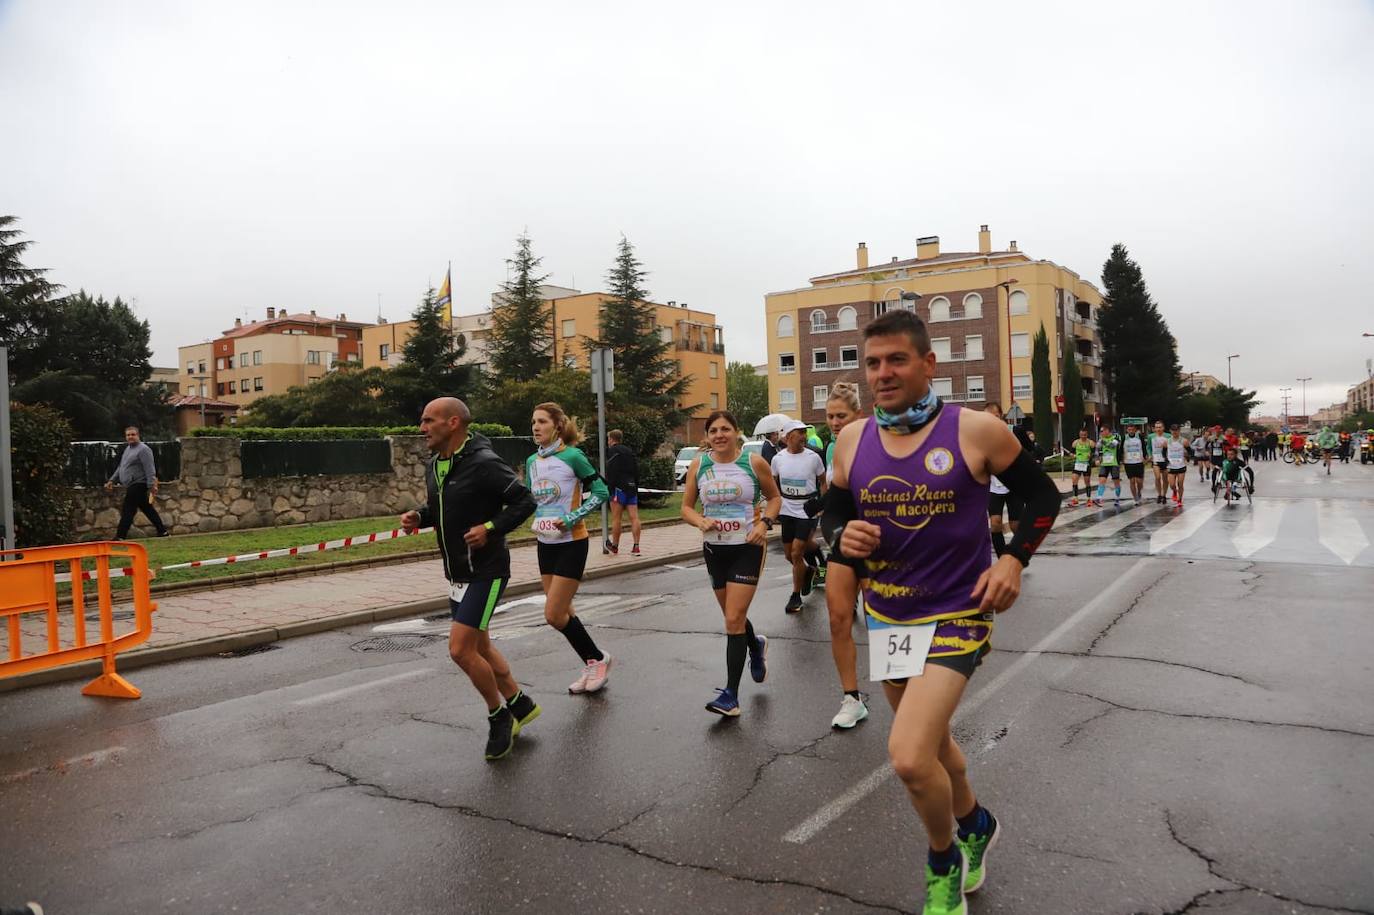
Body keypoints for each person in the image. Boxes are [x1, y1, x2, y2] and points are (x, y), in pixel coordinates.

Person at [822, 309, 1061, 915]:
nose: (882, 373)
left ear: (929, 363)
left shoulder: (974, 430)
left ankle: (943, 857)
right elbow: (833, 511)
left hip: (959, 611)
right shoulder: (852, 438)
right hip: (891, 616)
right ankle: (976, 824)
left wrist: (1012, 559)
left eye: (897, 359)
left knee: (907, 756)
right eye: (872, 362)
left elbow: (1041, 494)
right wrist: (838, 537)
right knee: (934, 746)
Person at [400, 397, 538, 761]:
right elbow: (446, 507)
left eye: (429, 420)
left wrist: (491, 528)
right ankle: (520, 704)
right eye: (422, 420)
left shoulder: (484, 463)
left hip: (487, 571)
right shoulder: (436, 465)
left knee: (461, 650)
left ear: (453, 423)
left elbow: (525, 501)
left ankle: (499, 716)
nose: (422, 427)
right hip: (458, 572)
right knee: (480, 647)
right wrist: (420, 516)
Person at [680, 410, 782, 717]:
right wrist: (699, 520)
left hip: (747, 548)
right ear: (707, 436)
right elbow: (685, 507)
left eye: (725, 429)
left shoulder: (753, 463)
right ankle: (756, 644)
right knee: (732, 617)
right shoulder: (699, 465)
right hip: (715, 550)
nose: (719, 435)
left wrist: (764, 524)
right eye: (713, 430)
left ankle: (730, 696)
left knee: (733, 618)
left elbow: (774, 498)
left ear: (736, 432)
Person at [527, 402, 614, 694]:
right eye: (533, 423)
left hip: (572, 543)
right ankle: (593, 660)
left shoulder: (573, 456)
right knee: (564, 612)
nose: (536, 427)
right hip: (544, 544)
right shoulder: (531, 462)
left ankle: (598, 659)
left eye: (542, 422)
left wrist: (571, 517)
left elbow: (602, 491)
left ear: (557, 426)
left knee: (553, 614)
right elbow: (534, 501)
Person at [822, 382, 869, 729]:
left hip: (880, 543)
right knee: (839, 619)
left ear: (858, 415)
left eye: (841, 416)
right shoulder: (831, 449)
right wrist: (836, 532)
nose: (835, 422)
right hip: (844, 542)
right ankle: (851, 698)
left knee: (882, 622)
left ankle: (912, 693)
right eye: (830, 417)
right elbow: (834, 504)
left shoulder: (874, 444)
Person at [771, 419, 827, 613]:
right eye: (799, 432)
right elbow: (773, 483)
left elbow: (823, 481)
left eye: (804, 432)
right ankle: (810, 570)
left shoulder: (814, 457)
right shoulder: (778, 459)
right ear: (788, 437)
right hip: (787, 509)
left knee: (796, 552)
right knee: (789, 555)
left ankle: (795, 596)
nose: (803, 436)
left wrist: (822, 504)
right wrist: (773, 505)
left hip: (807, 509)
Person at [105, 426, 170, 540]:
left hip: (139, 483)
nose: (130, 437)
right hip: (131, 484)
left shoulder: (143, 449)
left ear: (138, 435)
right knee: (147, 508)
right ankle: (162, 531)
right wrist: (112, 480)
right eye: (128, 435)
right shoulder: (127, 449)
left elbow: (149, 468)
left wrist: (152, 485)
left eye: (133, 434)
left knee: (128, 509)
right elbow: (121, 467)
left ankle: (120, 536)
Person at [603, 428, 642, 556]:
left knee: (616, 518)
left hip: (618, 488)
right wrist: (635, 485)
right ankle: (636, 546)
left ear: (611, 439)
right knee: (634, 517)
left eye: (608, 439)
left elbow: (611, 470)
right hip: (631, 486)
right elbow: (636, 469)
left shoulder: (612, 451)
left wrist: (610, 486)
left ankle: (615, 546)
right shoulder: (629, 451)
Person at [1093, 425, 1122, 506]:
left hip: (1114, 463)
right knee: (1102, 480)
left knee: (1116, 481)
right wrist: (1097, 459)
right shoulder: (1101, 440)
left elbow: (1112, 446)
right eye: (1100, 431)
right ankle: (1099, 498)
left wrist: (1103, 441)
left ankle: (1117, 498)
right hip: (1104, 463)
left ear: (1107, 431)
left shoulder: (1116, 437)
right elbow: (1097, 450)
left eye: (1102, 431)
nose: (1101, 433)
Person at [1121, 422, 1147, 505]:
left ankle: (1139, 491)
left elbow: (1143, 447)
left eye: (1132, 429)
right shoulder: (1124, 437)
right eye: (1129, 430)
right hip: (1128, 462)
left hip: (1138, 461)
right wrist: (1121, 460)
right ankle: (1135, 497)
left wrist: (1145, 457)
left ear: (1135, 430)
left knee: (1139, 481)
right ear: (1127, 430)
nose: (1131, 431)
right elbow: (1121, 449)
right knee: (1132, 481)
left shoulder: (1139, 437)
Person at [1068, 427, 1095, 507]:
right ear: (1079, 435)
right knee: (1074, 480)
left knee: (1087, 481)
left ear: (1087, 435)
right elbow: (1071, 452)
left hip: (1086, 464)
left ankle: (1088, 498)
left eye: (1085, 435)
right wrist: (1072, 455)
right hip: (1078, 464)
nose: (1083, 436)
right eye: (1081, 435)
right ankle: (1075, 498)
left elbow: (1095, 452)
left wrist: (1091, 455)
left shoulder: (1090, 443)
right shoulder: (1075, 443)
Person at [1149, 420, 1170, 504]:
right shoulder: (1151, 436)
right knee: (1157, 477)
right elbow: (1149, 447)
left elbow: (1172, 446)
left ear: (1163, 428)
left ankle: (1164, 495)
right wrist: (1150, 455)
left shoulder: (1168, 436)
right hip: (1156, 459)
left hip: (1165, 460)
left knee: (1165, 479)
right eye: (1156, 427)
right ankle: (1159, 494)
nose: (1158, 429)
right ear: (1154, 428)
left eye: (1160, 427)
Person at [1167, 424, 1189, 503]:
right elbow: (1163, 451)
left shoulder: (1184, 441)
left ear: (1179, 431)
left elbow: (1190, 451)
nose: (1175, 432)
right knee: (1172, 485)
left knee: (1180, 484)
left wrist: (1187, 457)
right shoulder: (1167, 441)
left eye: (1176, 430)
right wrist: (1166, 460)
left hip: (1181, 465)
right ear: (1170, 431)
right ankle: (1174, 491)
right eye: (1173, 430)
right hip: (1171, 465)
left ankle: (1180, 500)